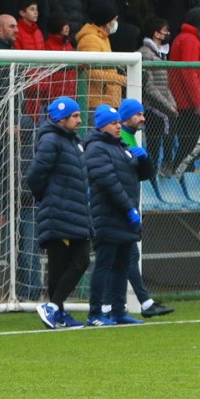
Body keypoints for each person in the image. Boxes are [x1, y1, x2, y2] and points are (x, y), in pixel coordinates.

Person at [26, 97, 90, 329]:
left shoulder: (75, 141)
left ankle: (55, 311)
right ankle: (55, 310)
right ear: (61, 117)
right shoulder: (51, 140)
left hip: (75, 212)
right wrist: (49, 198)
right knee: (71, 263)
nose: (80, 120)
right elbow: (34, 175)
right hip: (60, 211)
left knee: (72, 263)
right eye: (75, 116)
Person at [84, 104, 149, 327]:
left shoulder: (122, 146)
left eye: (119, 122)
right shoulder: (95, 149)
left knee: (122, 264)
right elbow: (108, 182)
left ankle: (118, 311)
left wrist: (144, 160)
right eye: (113, 123)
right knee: (104, 264)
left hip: (124, 216)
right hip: (107, 215)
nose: (118, 126)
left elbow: (143, 176)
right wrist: (128, 208)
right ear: (102, 126)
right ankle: (95, 313)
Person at [115, 99, 174, 319]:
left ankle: (139, 304)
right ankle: (110, 307)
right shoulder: (120, 139)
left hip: (127, 204)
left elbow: (143, 174)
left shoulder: (130, 138)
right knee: (115, 258)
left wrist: (144, 161)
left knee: (125, 257)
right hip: (119, 208)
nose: (143, 118)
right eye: (138, 114)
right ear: (127, 116)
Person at [168, 7, 200, 174]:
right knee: (193, 145)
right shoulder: (190, 40)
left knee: (190, 143)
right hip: (190, 103)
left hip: (186, 101)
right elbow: (189, 73)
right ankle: (175, 174)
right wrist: (198, 102)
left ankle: (183, 176)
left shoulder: (184, 38)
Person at [138, 18, 178, 175]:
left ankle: (160, 166)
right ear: (156, 34)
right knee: (157, 136)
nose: (168, 34)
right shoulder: (145, 53)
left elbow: (165, 84)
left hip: (163, 101)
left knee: (171, 120)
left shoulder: (161, 53)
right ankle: (157, 168)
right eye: (165, 31)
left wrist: (171, 103)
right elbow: (149, 86)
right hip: (151, 104)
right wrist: (167, 106)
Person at [75, 4, 126, 110]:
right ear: (106, 22)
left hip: (108, 101)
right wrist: (122, 80)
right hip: (96, 104)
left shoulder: (103, 38)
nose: (116, 23)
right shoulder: (90, 39)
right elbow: (90, 71)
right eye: (114, 20)